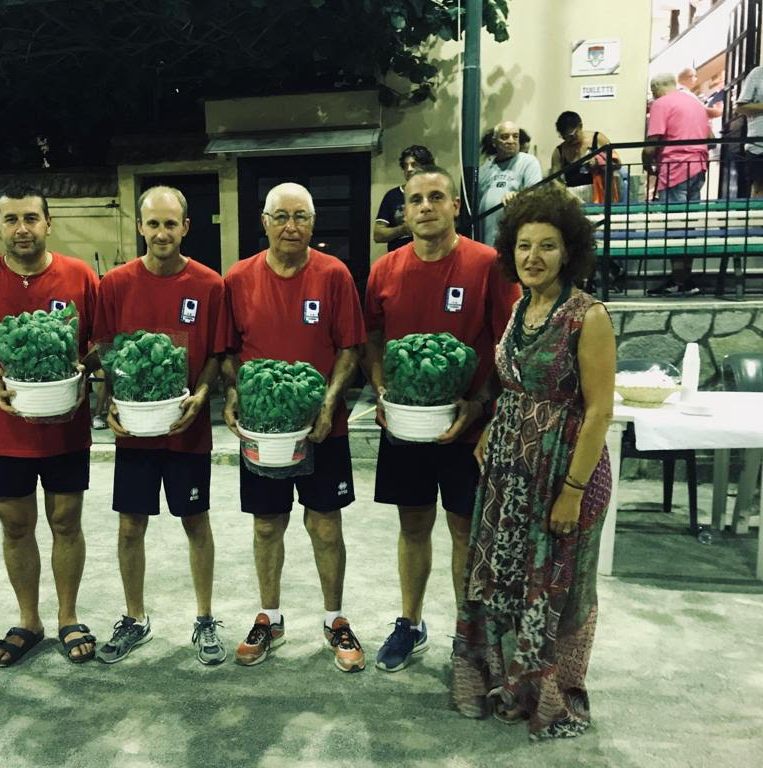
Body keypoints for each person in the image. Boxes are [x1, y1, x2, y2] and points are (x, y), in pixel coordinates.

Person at [451, 184, 615, 740]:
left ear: (568, 250)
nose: (534, 257)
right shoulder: (524, 306)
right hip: (510, 471)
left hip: (562, 471)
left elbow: (598, 413)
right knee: (511, 579)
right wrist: (496, 424)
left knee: (558, 584)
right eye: (524, 246)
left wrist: (572, 490)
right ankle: (511, 683)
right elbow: (515, 384)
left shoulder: (588, 316)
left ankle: (553, 696)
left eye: (547, 246)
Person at [362, 166, 519, 672]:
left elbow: (507, 345)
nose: (425, 207)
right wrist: (382, 388)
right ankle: (409, 624)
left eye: (436, 197)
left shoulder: (488, 264)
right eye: (415, 200)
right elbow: (373, 338)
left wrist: (479, 405)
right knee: (412, 525)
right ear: (404, 212)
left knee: (463, 529)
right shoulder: (385, 270)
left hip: (467, 429)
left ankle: (466, 632)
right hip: (404, 427)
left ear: (455, 206)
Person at [0, 184, 99, 667]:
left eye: (31, 218)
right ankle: (28, 619)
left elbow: (98, 344)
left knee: (65, 520)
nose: (22, 229)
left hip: (65, 426)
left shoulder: (79, 276)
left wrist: (83, 369)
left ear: (48, 223)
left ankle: (68, 616)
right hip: (4, 429)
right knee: (15, 526)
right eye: (11, 220)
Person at [223, 182, 367, 671]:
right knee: (267, 525)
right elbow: (227, 352)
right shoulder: (238, 278)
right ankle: (270, 617)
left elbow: (350, 348)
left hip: (324, 427)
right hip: (264, 430)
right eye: (280, 216)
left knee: (325, 524)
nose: (291, 226)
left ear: (313, 222)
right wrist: (234, 395)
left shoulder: (334, 275)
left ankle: (335, 619)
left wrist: (328, 404)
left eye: (301, 216)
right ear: (263, 222)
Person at [92, 186, 228, 665]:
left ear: (186, 228)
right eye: (153, 224)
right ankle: (135, 618)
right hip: (135, 430)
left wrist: (205, 393)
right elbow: (105, 352)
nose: (162, 233)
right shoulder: (115, 285)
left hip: (186, 428)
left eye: (171, 224)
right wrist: (107, 403)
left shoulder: (210, 285)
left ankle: (205, 618)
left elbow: (216, 353)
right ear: (140, 227)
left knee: (196, 521)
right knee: (131, 525)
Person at [643, 71, 711, 296]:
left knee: (675, 226)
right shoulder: (696, 103)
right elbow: (710, 139)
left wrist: (648, 165)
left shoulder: (661, 104)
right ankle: (685, 278)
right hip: (698, 167)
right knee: (688, 225)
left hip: (675, 168)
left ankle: (679, 281)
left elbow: (651, 144)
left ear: (655, 89)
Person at [478, 121, 543, 246]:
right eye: (504, 137)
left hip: (513, 242)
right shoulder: (485, 169)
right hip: (486, 242)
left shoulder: (528, 162)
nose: (511, 141)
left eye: (515, 136)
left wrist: (518, 197)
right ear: (494, 142)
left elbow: (536, 198)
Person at [374, 145, 435, 252]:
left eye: (414, 164)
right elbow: (378, 235)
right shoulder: (393, 195)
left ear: (426, 167)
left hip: (431, 255)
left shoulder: (437, 194)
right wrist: (403, 229)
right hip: (399, 259)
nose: (409, 169)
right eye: (405, 165)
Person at [550, 111, 618, 204]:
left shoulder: (597, 139)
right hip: (573, 198)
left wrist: (599, 161)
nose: (570, 141)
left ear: (580, 126)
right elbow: (555, 181)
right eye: (566, 138)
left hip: (599, 194)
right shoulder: (559, 152)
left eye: (572, 136)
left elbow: (617, 163)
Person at [734, 64, 763, 199]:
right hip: (759, 145)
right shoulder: (758, 73)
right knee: (759, 188)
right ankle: (757, 219)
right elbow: (741, 107)